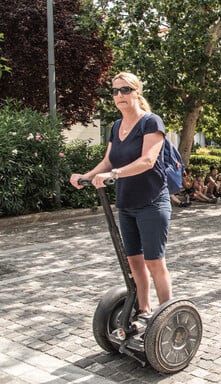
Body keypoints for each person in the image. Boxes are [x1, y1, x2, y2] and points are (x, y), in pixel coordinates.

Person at [69, 72, 172, 317]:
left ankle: (167, 316)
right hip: (126, 203)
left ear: (137, 92)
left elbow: (148, 160)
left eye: (125, 90)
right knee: (134, 262)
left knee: (154, 262)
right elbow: (108, 161)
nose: (119, 95)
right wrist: (86, 176)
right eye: (115, 91)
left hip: (152, 202)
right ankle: (144, 311)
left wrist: (113, 174)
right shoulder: (116, 126)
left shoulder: (151, 122)